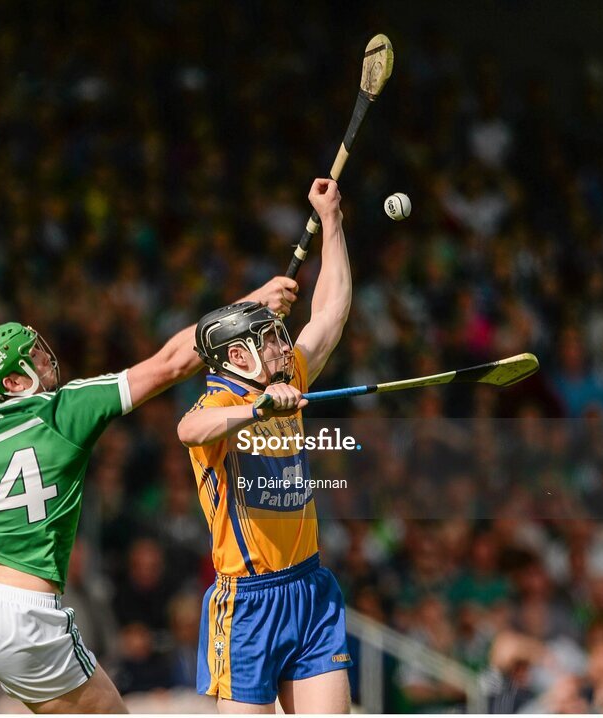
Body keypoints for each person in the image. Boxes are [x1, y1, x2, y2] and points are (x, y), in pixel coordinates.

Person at [0, 277, 297, 714]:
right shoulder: (63, 410)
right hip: (25, 612)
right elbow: (170, 365)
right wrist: (249, 305)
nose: (46, 358)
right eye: (32, 357)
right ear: (16, 382)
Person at [177, 178, 353, 713]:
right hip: (247, 604)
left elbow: (330, 315)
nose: (283, 344)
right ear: (237, 358)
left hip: (310, 588)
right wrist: (259, 409)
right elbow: (188, 430)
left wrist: (331, 219)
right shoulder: (218, 404)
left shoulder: (287, 377)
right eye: (270, 339)